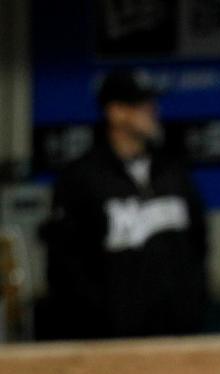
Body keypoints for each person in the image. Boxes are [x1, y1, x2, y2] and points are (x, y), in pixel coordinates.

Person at [42, 69, 207, 339]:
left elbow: (198, 244)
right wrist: (100, 320)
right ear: (116, 112)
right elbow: (65, 265)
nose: (152, 110)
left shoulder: (173, 171)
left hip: (177, 334)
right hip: (108, 340)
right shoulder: (82, 179)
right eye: (141, 104)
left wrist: (192, 308)